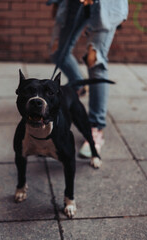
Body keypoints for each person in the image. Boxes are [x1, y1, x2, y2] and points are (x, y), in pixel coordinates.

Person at [46, 0, 128, 157]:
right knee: (58, 52)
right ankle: (80, 85)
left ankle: (96, 126)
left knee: (95, 60)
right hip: (71, 4)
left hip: (106, 4)